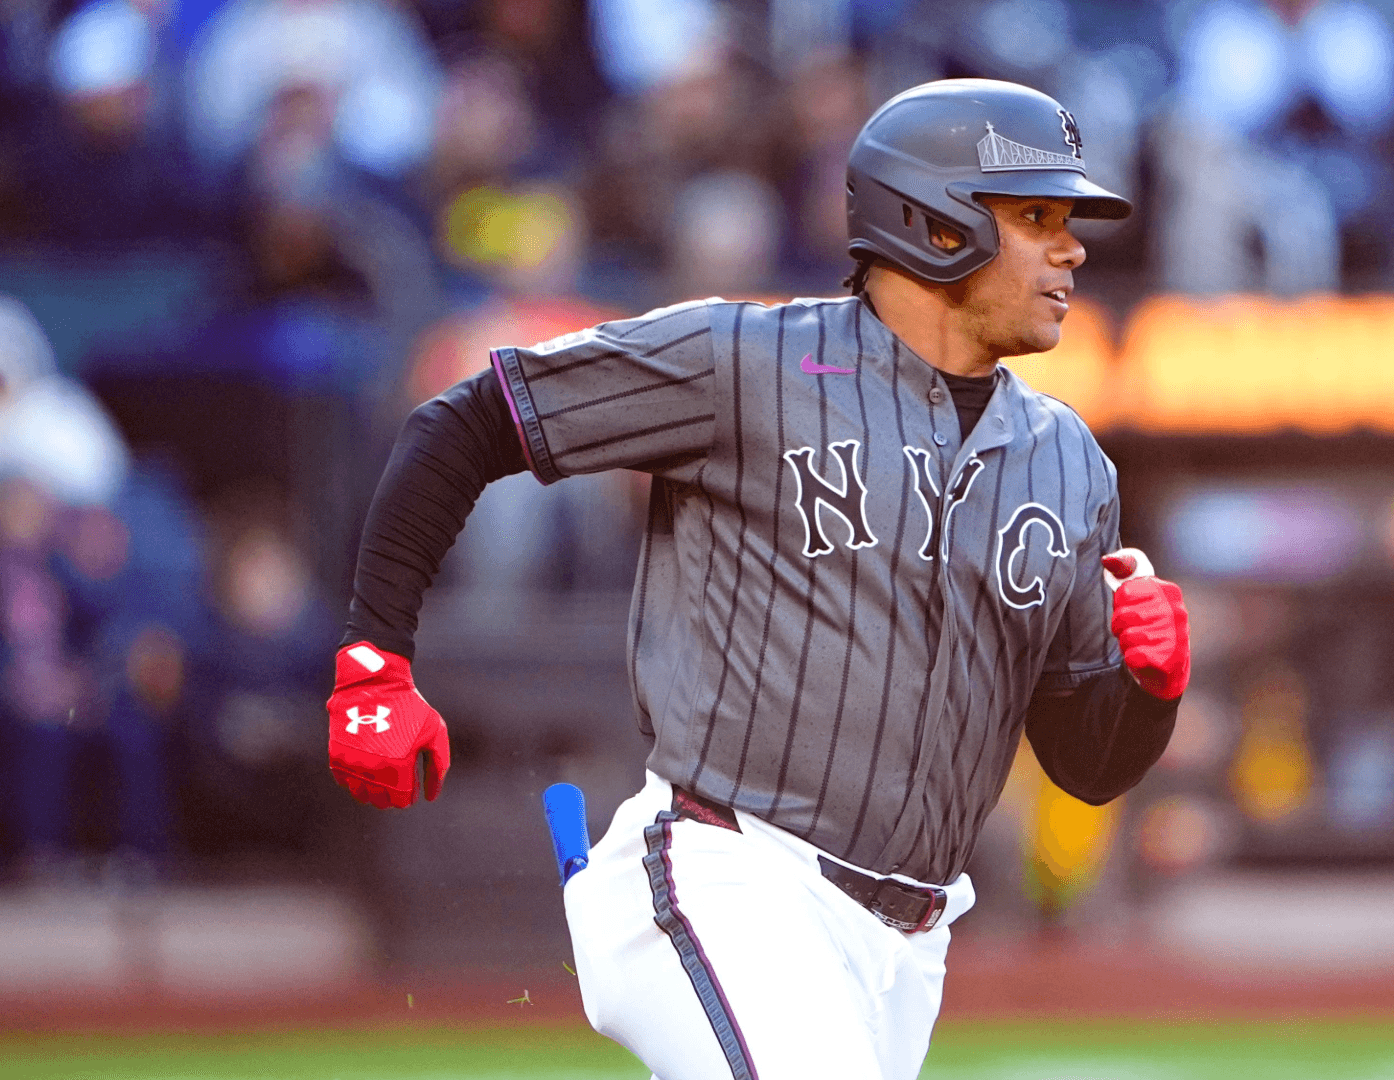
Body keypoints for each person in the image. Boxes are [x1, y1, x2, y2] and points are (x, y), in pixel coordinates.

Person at [323, 79, 1191, 1079]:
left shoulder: (1070, 463)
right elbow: (468, 421)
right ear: (936, 223)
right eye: (1037, 217)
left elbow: (1086, 764)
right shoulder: (746, 361)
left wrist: (1149, 689)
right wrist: (375, 656)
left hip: (907, 945)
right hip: (725, 874)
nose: (1072, 249)